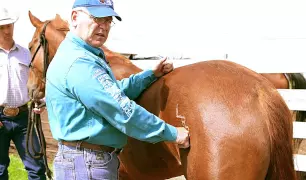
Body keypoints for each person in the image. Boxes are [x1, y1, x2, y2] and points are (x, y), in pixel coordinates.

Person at [45, 0, 190, 179]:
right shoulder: (80, 63)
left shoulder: (83, 55)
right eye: (97, 18)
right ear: (75, 17)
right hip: (87, 164)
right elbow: (121, 110)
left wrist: (150, 75)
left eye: (107, 20)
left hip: (86, 161)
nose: (103, 26)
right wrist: (172, 133)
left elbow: (112, 92)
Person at [0, 7, 46, 180]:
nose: (6, 31)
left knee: (37, 168)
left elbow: (40, 80)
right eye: (1, 27)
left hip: (24, 118)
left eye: (8, 26)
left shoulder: (27, 54)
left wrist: (42, 101)